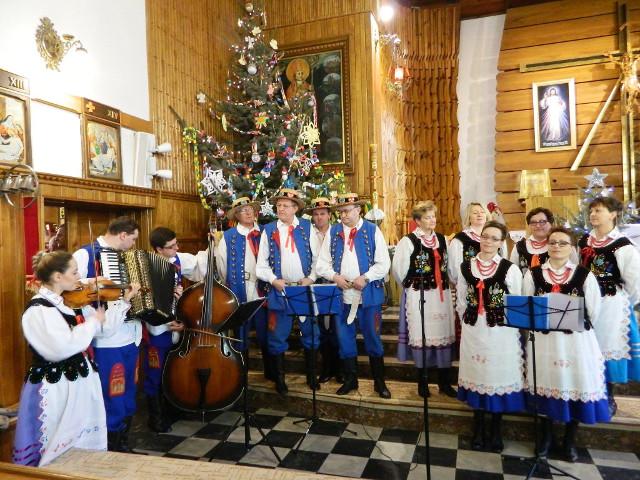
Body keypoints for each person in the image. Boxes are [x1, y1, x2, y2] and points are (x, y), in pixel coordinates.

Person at [12, 251, 138, 467]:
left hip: (77, 384)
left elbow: (105, 330)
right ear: (57, 277)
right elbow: (60, 347)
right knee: (56, 441)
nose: (81, 277)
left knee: (80, 441)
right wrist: (92, 323)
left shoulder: (70, 303)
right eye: (74, 272)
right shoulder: (39, 310)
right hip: (55, 387)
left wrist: (123, 301)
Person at [523, 227, 609, 462]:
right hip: (544, 342)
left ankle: (569, 441)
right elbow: (527, 305)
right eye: (552, 242)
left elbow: (593, 311)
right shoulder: (533, 274)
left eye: (562, 243)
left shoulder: (584, 275)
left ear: (571, 247)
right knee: (545, 384)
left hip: (575, 342)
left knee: (575, 384)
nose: (557, 246)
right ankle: (546, 439)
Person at [72, 216, 141, 452]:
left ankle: (123, 441)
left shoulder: (130, 258)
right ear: (123, 235)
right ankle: (110, 446)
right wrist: (95, 283)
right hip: (108, 338)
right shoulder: (85, 254)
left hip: (132, 334)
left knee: (128, 393)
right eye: (133, 239)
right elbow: (71, 289)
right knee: (112, 394)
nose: (133, 244)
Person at [456, 221, 524, 453]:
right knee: (477, 374)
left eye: (494, 238)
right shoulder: (466, 267)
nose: (488, 241)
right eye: (485, 236)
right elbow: (462, 299)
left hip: (500, 332)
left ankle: (496, 430)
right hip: (474, 330)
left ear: (501, 242)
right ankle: (478, 428)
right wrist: (467, 320)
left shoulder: (509, 269)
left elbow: (516, 301)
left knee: (496, 376)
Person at [316, 193, 392, 398]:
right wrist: (335, 277)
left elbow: (384, 263)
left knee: (373, 338)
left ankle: (379, 383)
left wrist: (365, 277)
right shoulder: (333, 232)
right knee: (344, 339)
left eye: (347, 211)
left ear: (358, 210)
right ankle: (351, 380)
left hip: (368, 296)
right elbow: (322, 264)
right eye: (340, 212)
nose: (343, 215)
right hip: (342, 297)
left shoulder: (372, 230)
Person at [578, 196, 640, 416]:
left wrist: (622, 304)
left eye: (599, 210)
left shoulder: (623, 246)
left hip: (611, 305)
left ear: (613, 214)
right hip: (586, 302)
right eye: (592, 210)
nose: (593, 214)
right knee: (587, 346)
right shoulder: (584, 241)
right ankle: (588, 392)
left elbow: (634, 281)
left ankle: (609, 395)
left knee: (606, 346)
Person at [256, 188, 321, 395]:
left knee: (311, 332)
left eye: (285, 206)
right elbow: (261, 265)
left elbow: (318, 259)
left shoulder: (307, 228)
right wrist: (273, 280)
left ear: (295, 208)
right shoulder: (269, 230)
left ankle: (312, 376)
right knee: (277, 334)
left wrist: (311, 278)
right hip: (279, 290)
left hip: (303, 289)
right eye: (278, 205)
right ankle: (280, 379)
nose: (280, 209)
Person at [392, 201, 457, 398]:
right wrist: (412, 286)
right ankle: (423, 382)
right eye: (427, 217)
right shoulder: (408, 241)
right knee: (422, 334)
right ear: (418, 221)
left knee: (443, 333)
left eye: (433, 216)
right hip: (419, 295)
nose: (432, 220)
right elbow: (399, 270)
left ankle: (444, 383)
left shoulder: (443, 239)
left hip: (441, 295)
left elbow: (450, 268)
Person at [147, 226, 208, 432]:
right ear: (158, 249)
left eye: (176, 244)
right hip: (156, 330)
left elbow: (202, 264)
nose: (177, 248)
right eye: (171, 246)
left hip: (176, 326)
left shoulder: (177, 262)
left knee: (173, 368)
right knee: (155, 373)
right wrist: (164, 324)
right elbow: (146, 305)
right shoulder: (146, 269)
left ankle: (173, 408)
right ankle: (156, 418)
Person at [215, 198, 269, 379]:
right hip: (240, 287)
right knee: (241, 333)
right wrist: (232, 282)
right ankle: (242, 376)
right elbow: (222, 266)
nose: (248, 212)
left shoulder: (265, 232)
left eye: (250, 209)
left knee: (265, 330)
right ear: (236, 215)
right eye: (243, 210)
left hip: (262, 288)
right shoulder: (228, 237)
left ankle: (272, 373)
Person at [307, 197, 342, 384]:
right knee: (321, 328)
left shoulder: (337, 232)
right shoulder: (308, 234)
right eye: (316, 214)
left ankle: (339, 369)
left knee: (337, 327)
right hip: (316, 285)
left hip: (335, 284)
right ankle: (326, 368)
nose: (319, 217)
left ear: (330, 215)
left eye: (323, 213)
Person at [510, 208, 554, 275]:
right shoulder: (519, 246)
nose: (538, 225)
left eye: (542, 222)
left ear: (551, 224)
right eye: (533, 222)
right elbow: (512, 272)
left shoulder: (559, 245)